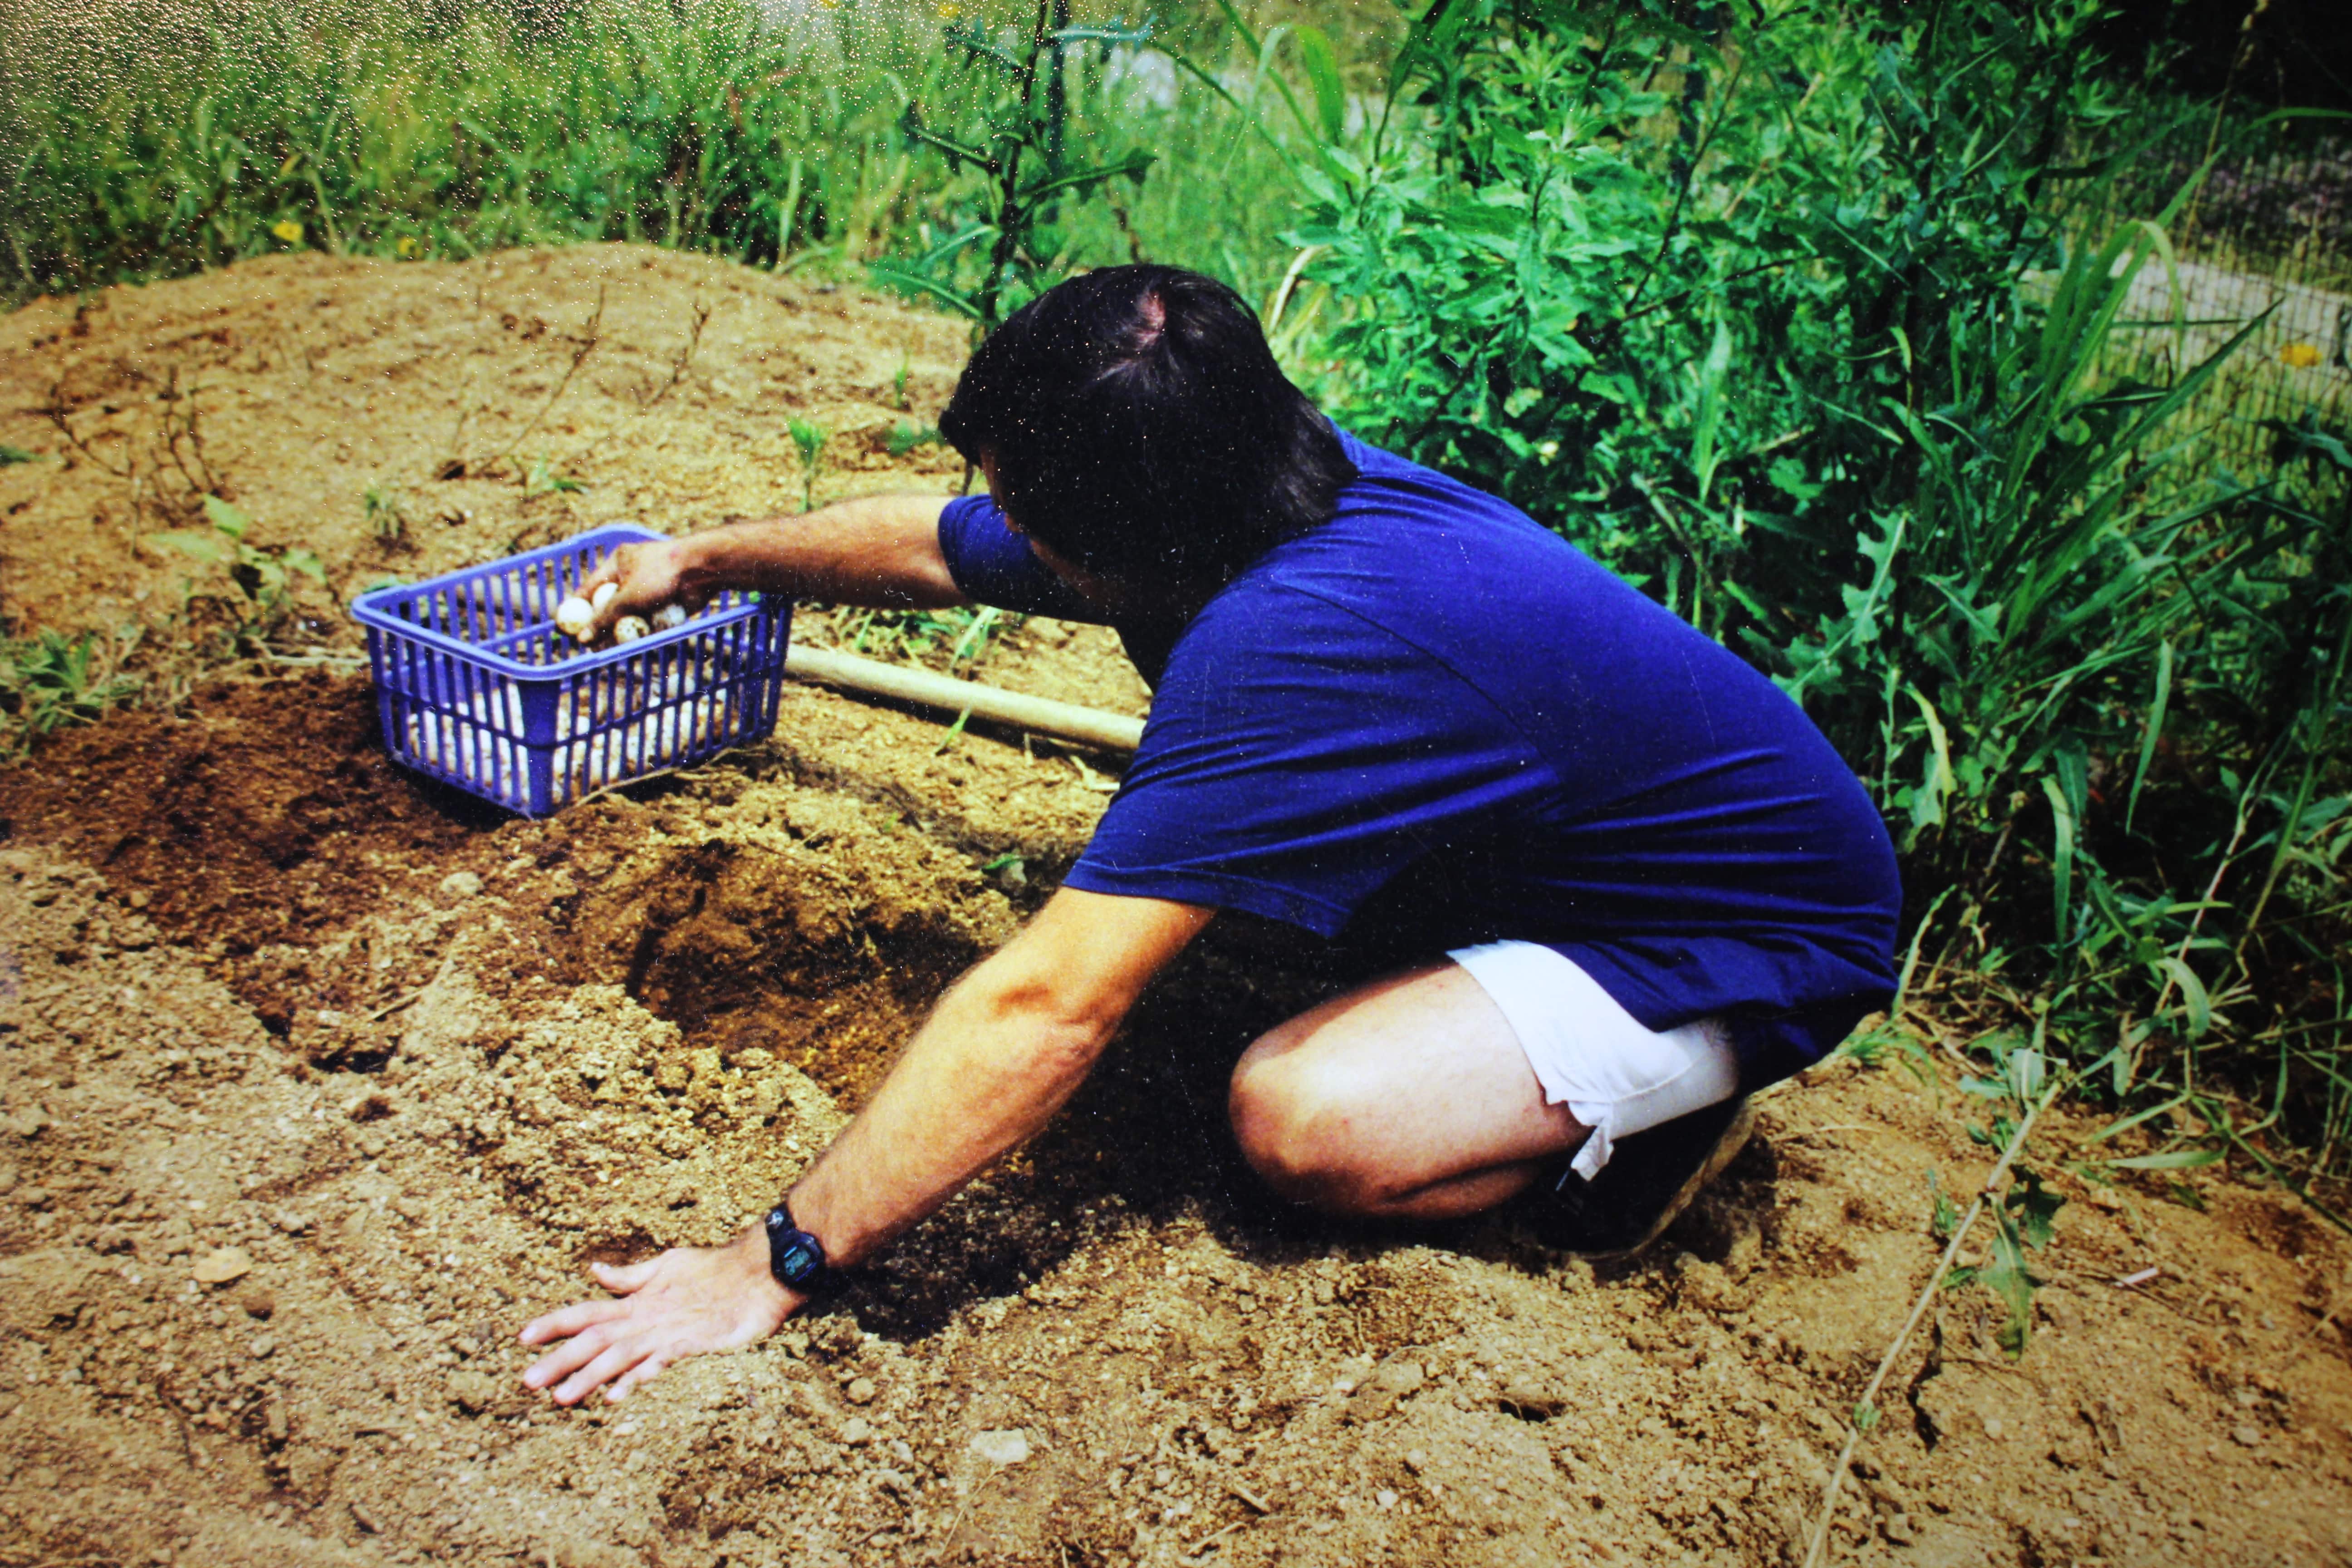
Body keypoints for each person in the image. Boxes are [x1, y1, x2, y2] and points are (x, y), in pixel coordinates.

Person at [517, 265, 1901, 1406]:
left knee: (1305, 1116)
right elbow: (933, 550)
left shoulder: (1293, 649)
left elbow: (1052, 1002)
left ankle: (1642, 1131)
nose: (1002, 527)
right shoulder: (1237, 482)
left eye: (1025, 512)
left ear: (1118, 539)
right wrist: (694, 558)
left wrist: (771, 1264)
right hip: (1600, 844)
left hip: (1748, 937)